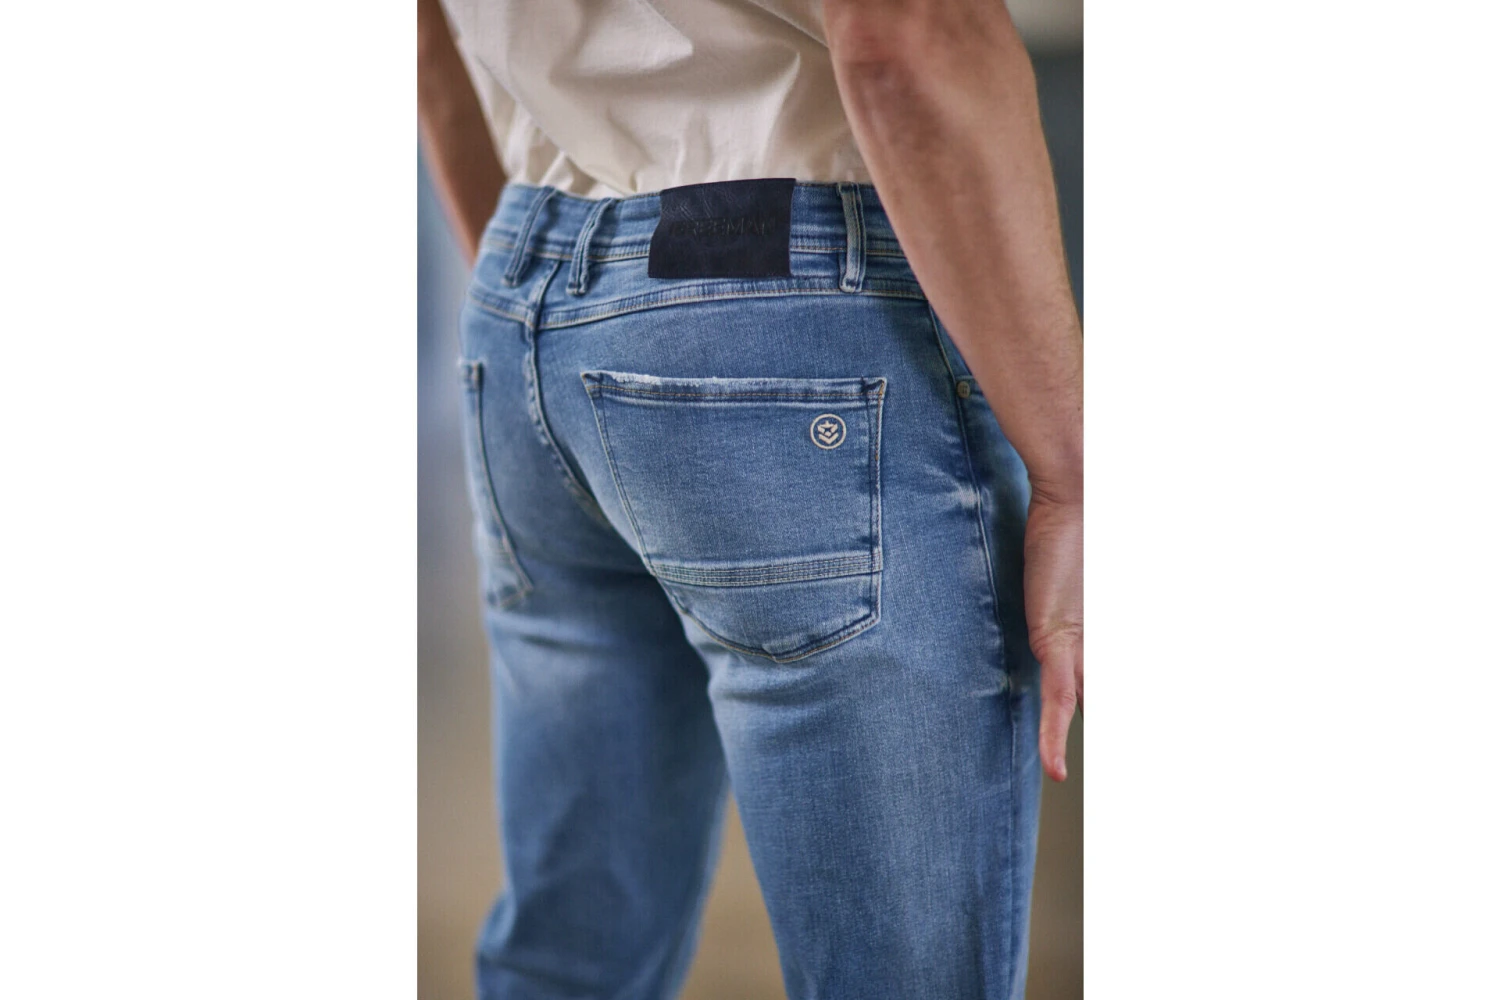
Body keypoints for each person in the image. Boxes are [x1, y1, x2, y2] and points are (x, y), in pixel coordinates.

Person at [418, 1, 1082, 996]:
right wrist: (1073, 473)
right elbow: (907, 34)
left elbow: (429, 43)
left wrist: (562, 323)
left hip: (526, 284)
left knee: (570, 959)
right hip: (794, 296)